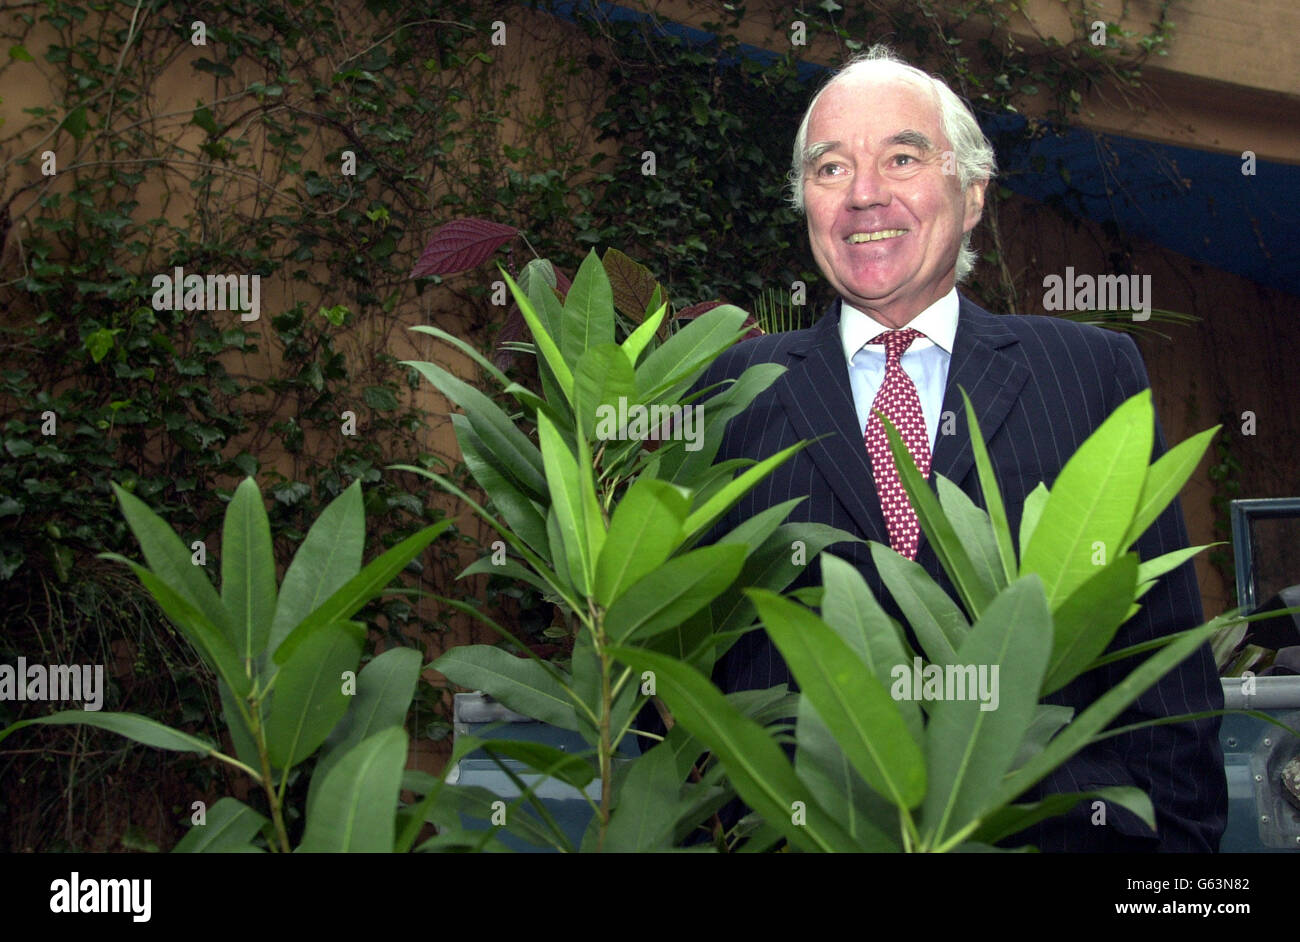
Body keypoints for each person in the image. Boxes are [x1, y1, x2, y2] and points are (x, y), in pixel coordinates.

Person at [695, 44, 1227, 852]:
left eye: (902, 157)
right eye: (831, 168)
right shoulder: (734, 391)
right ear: (805, 200)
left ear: (973, 193)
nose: (864, 194)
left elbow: (1160, 660)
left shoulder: (1088, 374)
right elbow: (690, 674)